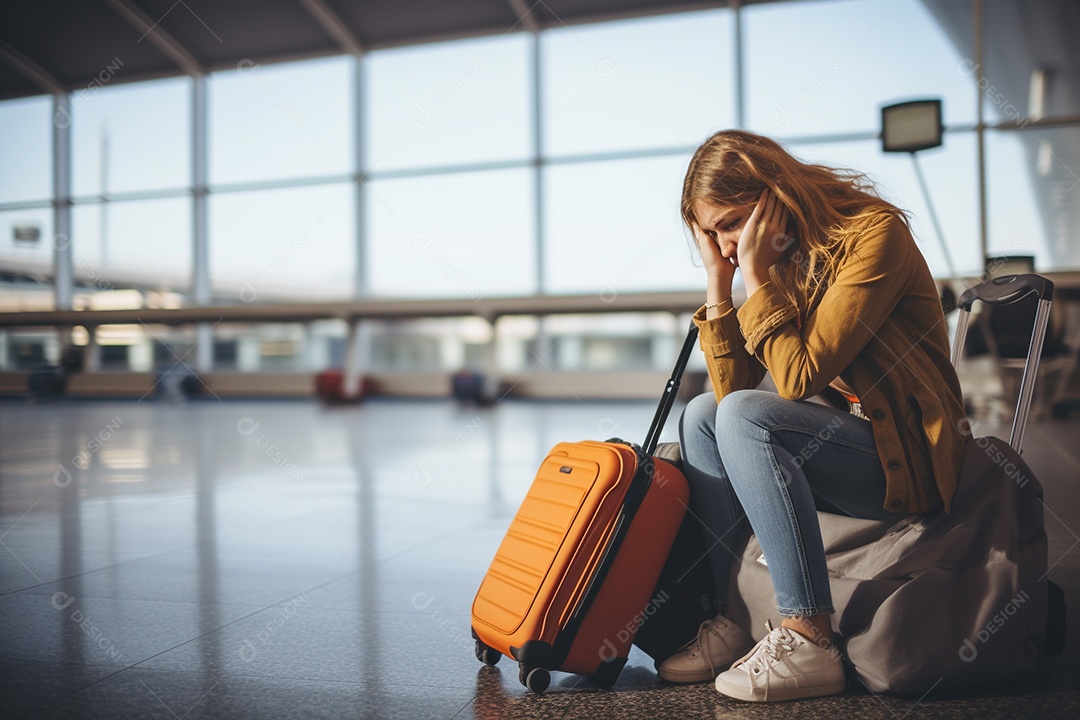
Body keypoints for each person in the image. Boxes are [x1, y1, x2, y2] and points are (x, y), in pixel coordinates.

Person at [657, 130, 967, 702]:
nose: (726, 245)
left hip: (905, 458)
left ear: (775, 197)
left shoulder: (875, 236)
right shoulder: (779, 260)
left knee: (745, 415)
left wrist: (756, 275)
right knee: (703, 413)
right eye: (711, 234)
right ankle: (734, 617)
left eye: (732, 223)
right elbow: (729, 392)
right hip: (848, 447)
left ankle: (810, 636)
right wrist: (719, 283)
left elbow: (799, 377)